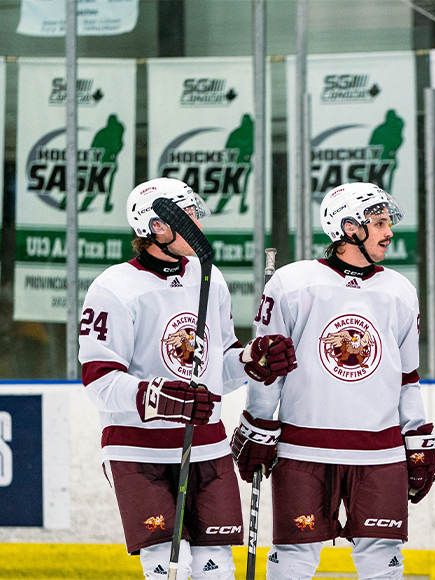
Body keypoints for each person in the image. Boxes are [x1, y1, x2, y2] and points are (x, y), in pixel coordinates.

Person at [79, 177, 294, 580]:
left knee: (218, 568)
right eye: (187, 215)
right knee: (163, 566)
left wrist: (251, 359)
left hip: (206, 446)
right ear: (157, 226)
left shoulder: (208, 277)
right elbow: (99, 380)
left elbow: (217, 372)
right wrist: (162, 398)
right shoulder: (114, 288)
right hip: (138, 451)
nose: (198, 222)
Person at [230, 182, 435, 580]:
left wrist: (418, 438)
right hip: (304, 449)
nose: (389, 231)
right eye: (378, 223)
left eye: (388, 222)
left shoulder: (400, 290)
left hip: (380, 453)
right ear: (348, 227)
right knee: (293, 560)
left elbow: (408, 379)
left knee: (384, 564)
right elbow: (267, 365)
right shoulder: (292, 284)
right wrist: (257, 423)